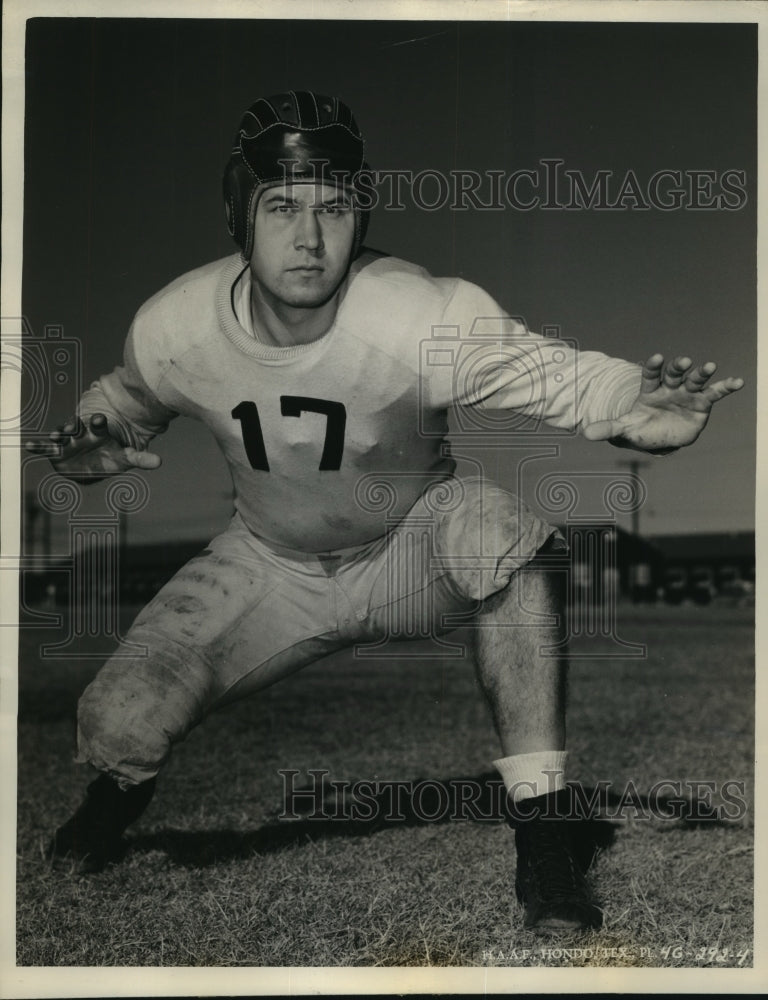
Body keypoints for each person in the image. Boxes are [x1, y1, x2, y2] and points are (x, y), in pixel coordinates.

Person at [26, 90, 743, 933]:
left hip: (412, 547)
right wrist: (95, 445)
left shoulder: (416, 312)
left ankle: (545, 833)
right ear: (238, 215)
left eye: (334, 207)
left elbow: (563, 377)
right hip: (269, 566)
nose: (309, 237)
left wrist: (636, 403)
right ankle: (114, 800)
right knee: (117, 720)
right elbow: (127, 400)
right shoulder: (176, 325)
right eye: (282, 206)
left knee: (502, 531)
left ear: (361, 215)